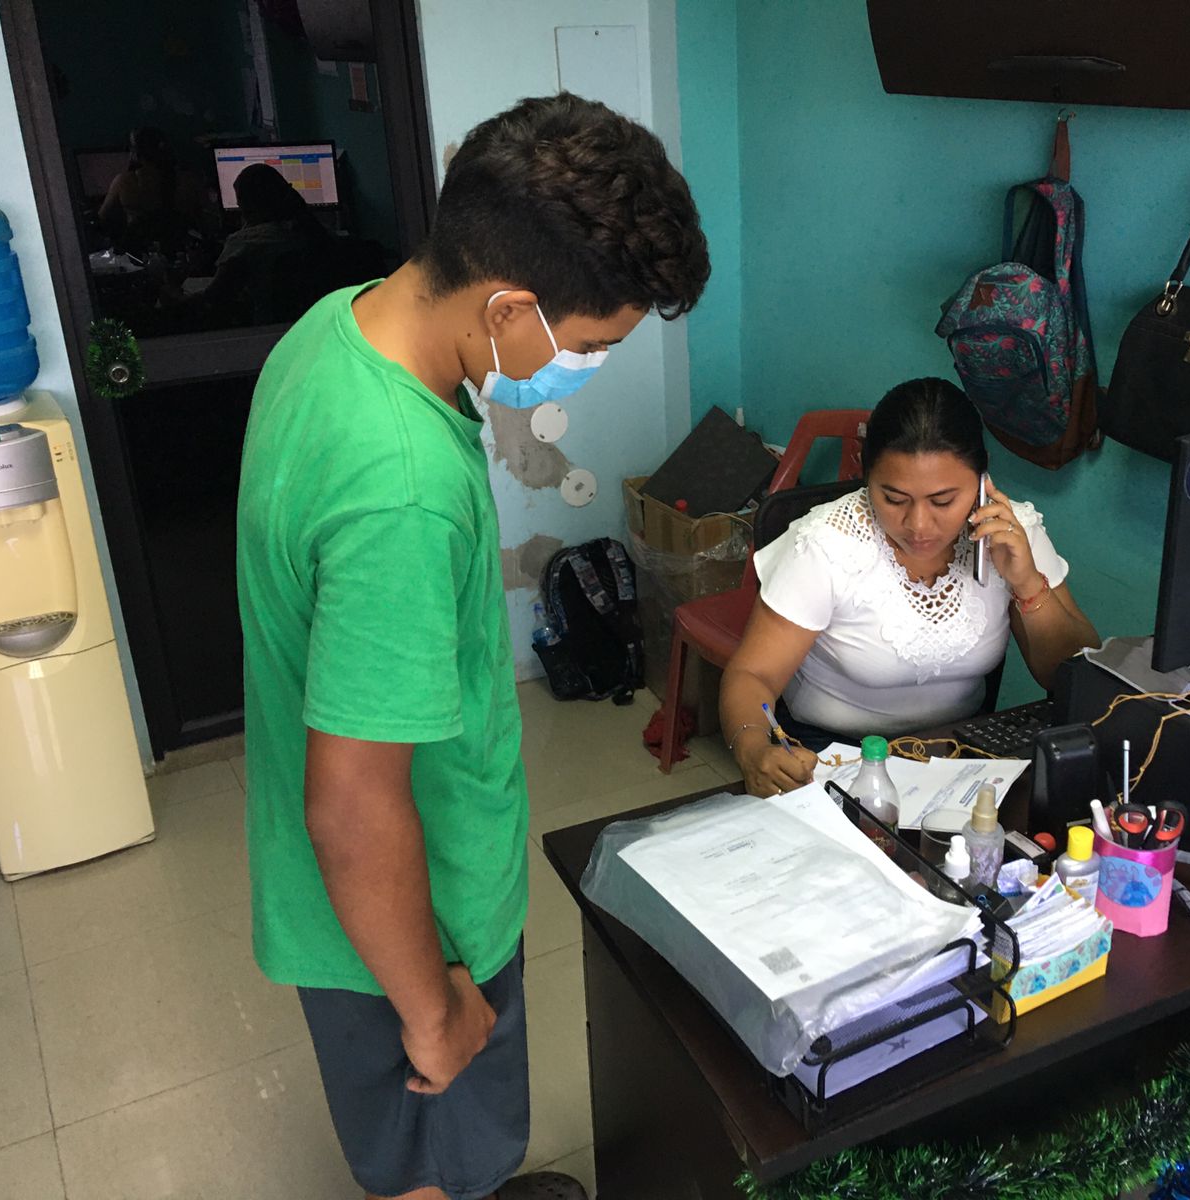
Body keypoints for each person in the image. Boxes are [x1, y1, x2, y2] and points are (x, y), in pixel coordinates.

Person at [236, 95, 709, 1200]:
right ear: (508, 308)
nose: (585, 369)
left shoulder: (338, 328)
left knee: (446, 1153)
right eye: (587, 347)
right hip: (407, 918)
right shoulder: (400, 490)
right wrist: (432, 1008)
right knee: (439, 1161)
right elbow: (353, 805)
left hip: (376, 890)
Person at [720, 377, 1100, 797]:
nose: (918, 525)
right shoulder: (825, 545)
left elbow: (1077, 678)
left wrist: (1027, 583)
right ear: (866, 473)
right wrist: (753, 748)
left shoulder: (1010, 533)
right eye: (894, 499)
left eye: (943, 501)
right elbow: (752, 674)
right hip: (831, 755)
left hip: (962, 753)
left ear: (982, 477)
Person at [184, 162, 335, 325]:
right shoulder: (315, 233)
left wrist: (176, 297)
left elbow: (215, 299)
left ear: (246, 205)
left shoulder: (244, 243)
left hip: (267, 331)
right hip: (317, 325)